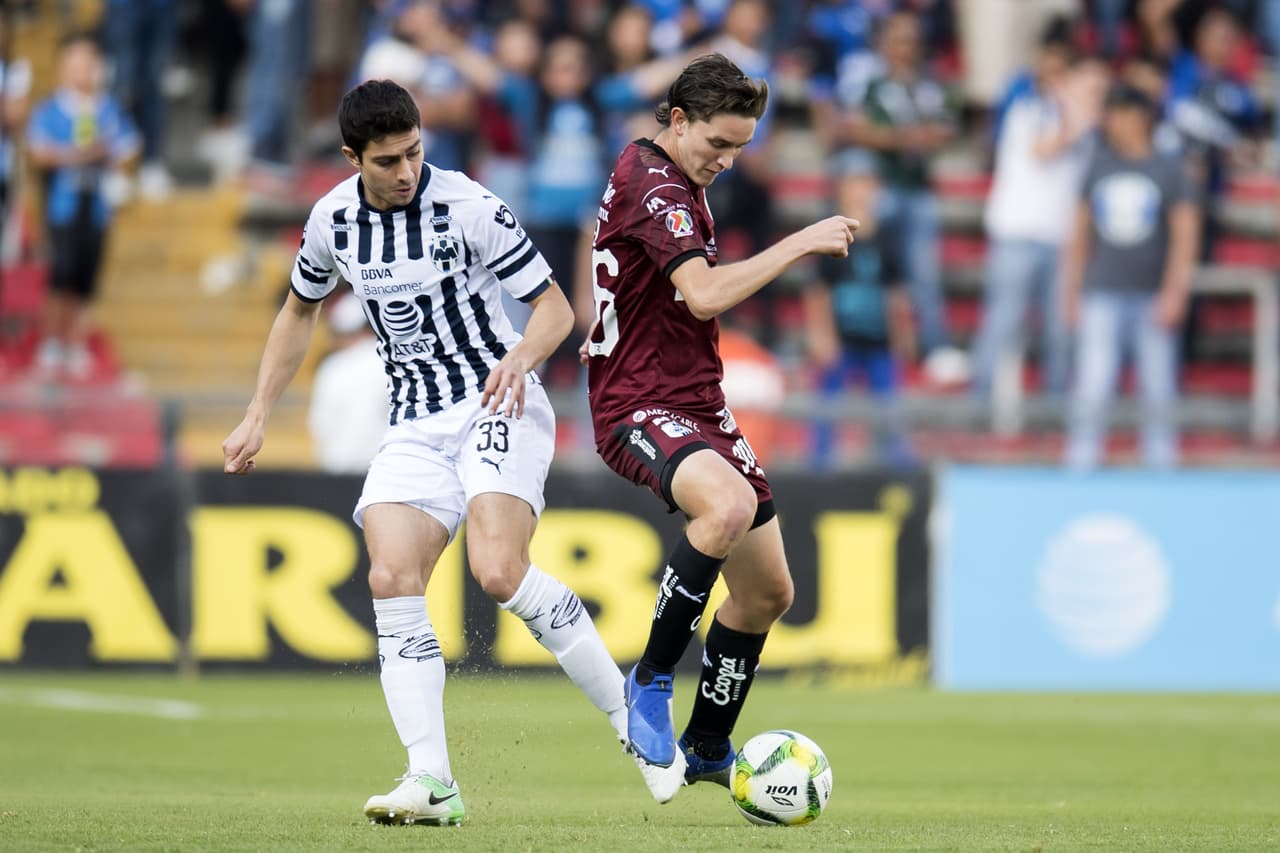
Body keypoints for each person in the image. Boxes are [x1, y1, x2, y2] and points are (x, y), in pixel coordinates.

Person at [222, 79, 674, 826]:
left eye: (414, 152)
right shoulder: (331, 220)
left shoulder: (468, 205)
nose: (405, 170)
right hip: (415, 421)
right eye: (387, 160)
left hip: (499, 398)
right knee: (390, 573)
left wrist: (521, 359)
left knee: (498, 570)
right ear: (351, 157)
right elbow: (299, 310)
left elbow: (555, 308)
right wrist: (257, 412)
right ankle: (430, 778)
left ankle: (631, 722)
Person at [581, 53, 857, 795]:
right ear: (677, 120)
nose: (727, 162)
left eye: (739, 149)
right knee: (728, 507)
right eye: (717, 145)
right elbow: (702, 294)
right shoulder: (657, 184)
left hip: (696, 399)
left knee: (769, 593)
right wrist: (800, 240)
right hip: (638, 401)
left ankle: (707, 745)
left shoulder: (670, 174)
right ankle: (647, 681)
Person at [1061, 83, 1200, 470]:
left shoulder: (1169, 167)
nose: (1113, 123)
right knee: (1093, 385)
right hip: (1101, 290)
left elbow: (1185, 235)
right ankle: (1080, 468)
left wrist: (1175, 291)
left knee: (1158, 389)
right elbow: (1079, 233)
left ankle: (1162, 470)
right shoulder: (1099, 163)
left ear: (1141, 117)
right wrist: (1070, 290)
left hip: (1151, 294)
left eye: (1121, 114)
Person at [969, 23, 1103, 400]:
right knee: (1003, 322)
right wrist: (1077, 111)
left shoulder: (1085, 126)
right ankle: (976, 404)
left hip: (1062, 240)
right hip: (1017, 234)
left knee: (1061, 330)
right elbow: (1045, 149)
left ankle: (1055, 408)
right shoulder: (1023, 108)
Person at [25, 33, 140, 379]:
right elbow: (38, 153)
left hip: (98, 205)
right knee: (60, 272)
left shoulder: (107, 109)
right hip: (63, 205)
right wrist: (80, 154)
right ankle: (52, 340)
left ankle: (76, 340)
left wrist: (110, 158)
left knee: (88, 276)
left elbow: (129, 149)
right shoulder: (51, 109)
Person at [803, 160, 914, 469]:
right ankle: (818, 468)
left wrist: (902, 336)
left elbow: (895, 294)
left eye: (867, 186)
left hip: (878, 341)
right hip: (842, 339)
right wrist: (821, 336)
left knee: (889, 410)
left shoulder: (888, 240)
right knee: (826, 408)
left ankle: (896, 467)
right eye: (854, 185)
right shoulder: (831, 235)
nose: (861, 193)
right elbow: (818, 291)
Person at [307, 293, 390, 473]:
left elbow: (320, 423)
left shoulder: (331, 367)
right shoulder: (393, 363)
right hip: (383, 468)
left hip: (337, 464)